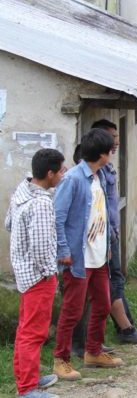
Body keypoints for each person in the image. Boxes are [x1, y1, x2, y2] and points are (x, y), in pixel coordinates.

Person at [71, 121, 137, 360]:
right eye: (111, 138)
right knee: (87, 293)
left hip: (107, 237)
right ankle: (80, 346)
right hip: (91, 243)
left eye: (117, 137)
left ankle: (98, 342)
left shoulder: (103, 171)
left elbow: (106, 208)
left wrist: (110, 239)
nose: (116, 142)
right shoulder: (79, 176)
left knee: (110, 284)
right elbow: (68, 215)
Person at [53, 129, 124, 381]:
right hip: (78, 257)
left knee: (103, 305)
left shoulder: (100, 177)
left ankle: (93, 351)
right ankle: (60, 359)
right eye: (110, 149)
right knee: (73, 310)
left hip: (100, 255)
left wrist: (107, 244)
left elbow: (101, 213)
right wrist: (64, 251)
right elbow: (58, 218)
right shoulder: (72, 179)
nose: (112, 151)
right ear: (102, 154)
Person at [7, 149, 66, 398]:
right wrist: (49, 273)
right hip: (38, 277)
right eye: (61, 170)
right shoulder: (41, 203)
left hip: (22, 272)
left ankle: (26, 377)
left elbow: (8, 224)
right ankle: (28, 389)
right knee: (34, 332)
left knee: (25, 329)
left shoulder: (22, 190)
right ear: (50, 173)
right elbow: (42, 249)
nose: (64, 175)